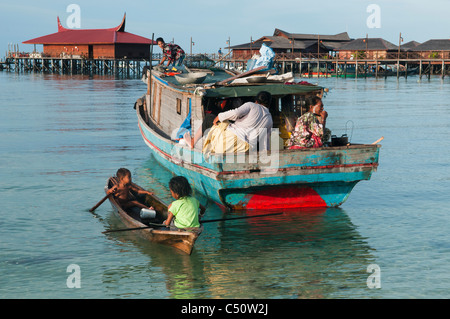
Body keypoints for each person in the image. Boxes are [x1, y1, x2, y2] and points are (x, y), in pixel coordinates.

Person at [202, 91, 273, 156]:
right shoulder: (270, 119)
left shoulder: (252, 105)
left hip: (229, 140)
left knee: (210, 118)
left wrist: (219, 116)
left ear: (256, 101)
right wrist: (266, 154)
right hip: (246, 148)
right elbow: (264, 141)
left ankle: (195, 143)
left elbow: (236, 113)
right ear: (269, 104)